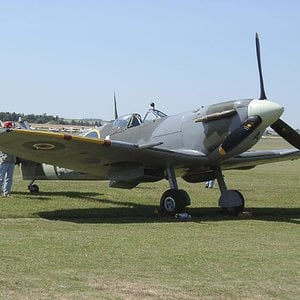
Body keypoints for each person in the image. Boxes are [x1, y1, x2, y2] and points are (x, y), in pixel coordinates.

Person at [0, 121, 16, 196]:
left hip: (12, 160)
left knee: (9, 178)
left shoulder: (13, 136)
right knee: (1, 178)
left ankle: (7, 192)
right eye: (10, 127)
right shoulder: (3, 136)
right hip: (4, 160)